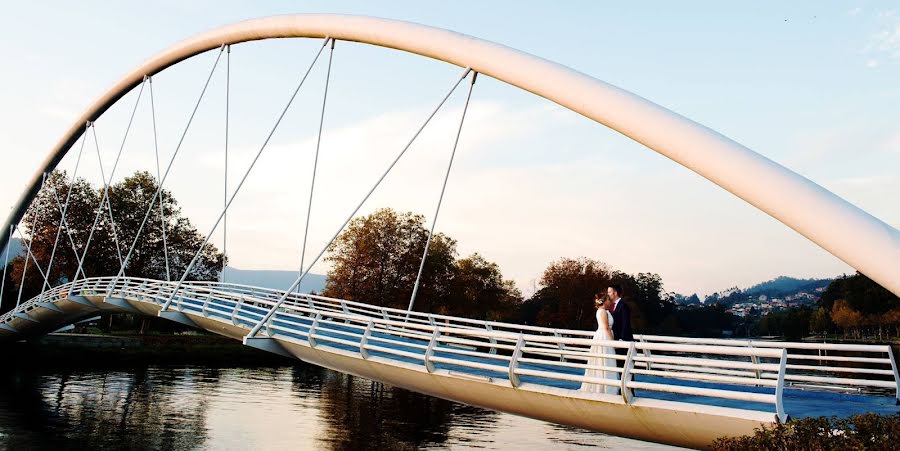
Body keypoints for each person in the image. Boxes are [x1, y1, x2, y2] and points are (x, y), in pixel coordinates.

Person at [580, 293, 620, 395]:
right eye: (608, 300)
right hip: (604, 336)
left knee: (605, 360)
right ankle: (605, 388)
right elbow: (606, 328)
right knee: (604, 360)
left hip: (602, 335)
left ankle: (607, 386)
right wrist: (613, 342)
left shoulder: (603, 311)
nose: (610, 302)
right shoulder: (602, 312)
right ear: (604, 301)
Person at [608, 284, 633, 368]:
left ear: (615, 293)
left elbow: (626, 324)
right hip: (614, 339)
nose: (608, 294)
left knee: (624, 367)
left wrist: (622, 339)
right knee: (616, 365)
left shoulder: (623, 306)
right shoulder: (610, 306)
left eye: (609, 292)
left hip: (622, 340)